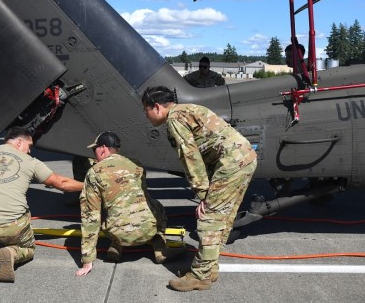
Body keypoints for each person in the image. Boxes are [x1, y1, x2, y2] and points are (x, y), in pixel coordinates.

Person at [141, 86, 257, 292]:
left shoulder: (175, 119)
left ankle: (200, 275)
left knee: (210, 218)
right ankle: (209, 268)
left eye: (146, 110)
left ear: (157, 107)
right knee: (223, 217)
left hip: (231, 163)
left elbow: (190, 157)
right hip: (243, 158)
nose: (146, 116)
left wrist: (203, 194)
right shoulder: (189, 109)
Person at [0, 126, 83, 283]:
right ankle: (12, 252)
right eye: (29, 146)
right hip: (14, 227)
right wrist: (89, 185)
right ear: (19, 142)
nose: (29, 151)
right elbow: (62, 183)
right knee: (29, 248)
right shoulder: (31, 162)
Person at [75, 132, 186, 277]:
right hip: (148, 231)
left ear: (103, 148)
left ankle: (117, 244)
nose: (93, 153)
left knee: (106, 209)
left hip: (118, 232)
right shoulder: (136, 163)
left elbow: (90, 216)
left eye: (94, 149)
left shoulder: (94, 173)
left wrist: (87, 259)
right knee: (155, 206)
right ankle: (160, 249)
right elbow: (143, 197)